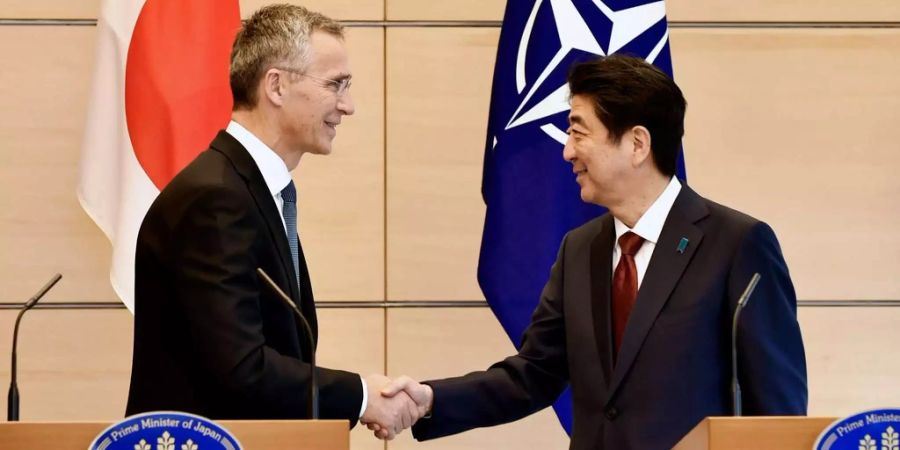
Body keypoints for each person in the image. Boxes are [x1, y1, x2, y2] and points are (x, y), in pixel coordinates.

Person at [375, 54, 808, 449]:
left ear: (637, 144)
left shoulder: (736, 245)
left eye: (578, 132)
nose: (566, 152)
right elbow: (534, 374)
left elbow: (778, 409)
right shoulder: (580, 250)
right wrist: (429, 400)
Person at [126, 4, 421, 438]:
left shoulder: (247, 189)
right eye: (336, 85)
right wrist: (361, 395)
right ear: (277, 86)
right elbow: (240, 368)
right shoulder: (216, 198)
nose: (348, 105)